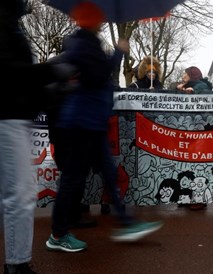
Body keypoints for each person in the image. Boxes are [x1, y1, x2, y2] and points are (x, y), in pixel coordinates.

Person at [45, 2, 163, 253]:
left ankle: (126, 221)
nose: (100, 21)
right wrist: (119, 52)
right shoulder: (83, 44)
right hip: (82, 121)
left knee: (108, 174)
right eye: (96, 18)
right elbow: (99, 75)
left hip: (91, 119)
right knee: (73, 179)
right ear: (89, 19)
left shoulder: (86, 43)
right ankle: (58, 234)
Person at [0, 0, 75, 272]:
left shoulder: (11, 22)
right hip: (8, 118)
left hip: (13, 116)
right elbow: (8, 73)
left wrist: (50, 92)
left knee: (14, 195)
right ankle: (17, 265)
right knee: (20, 195)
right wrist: (51, 72)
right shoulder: (6, 23)